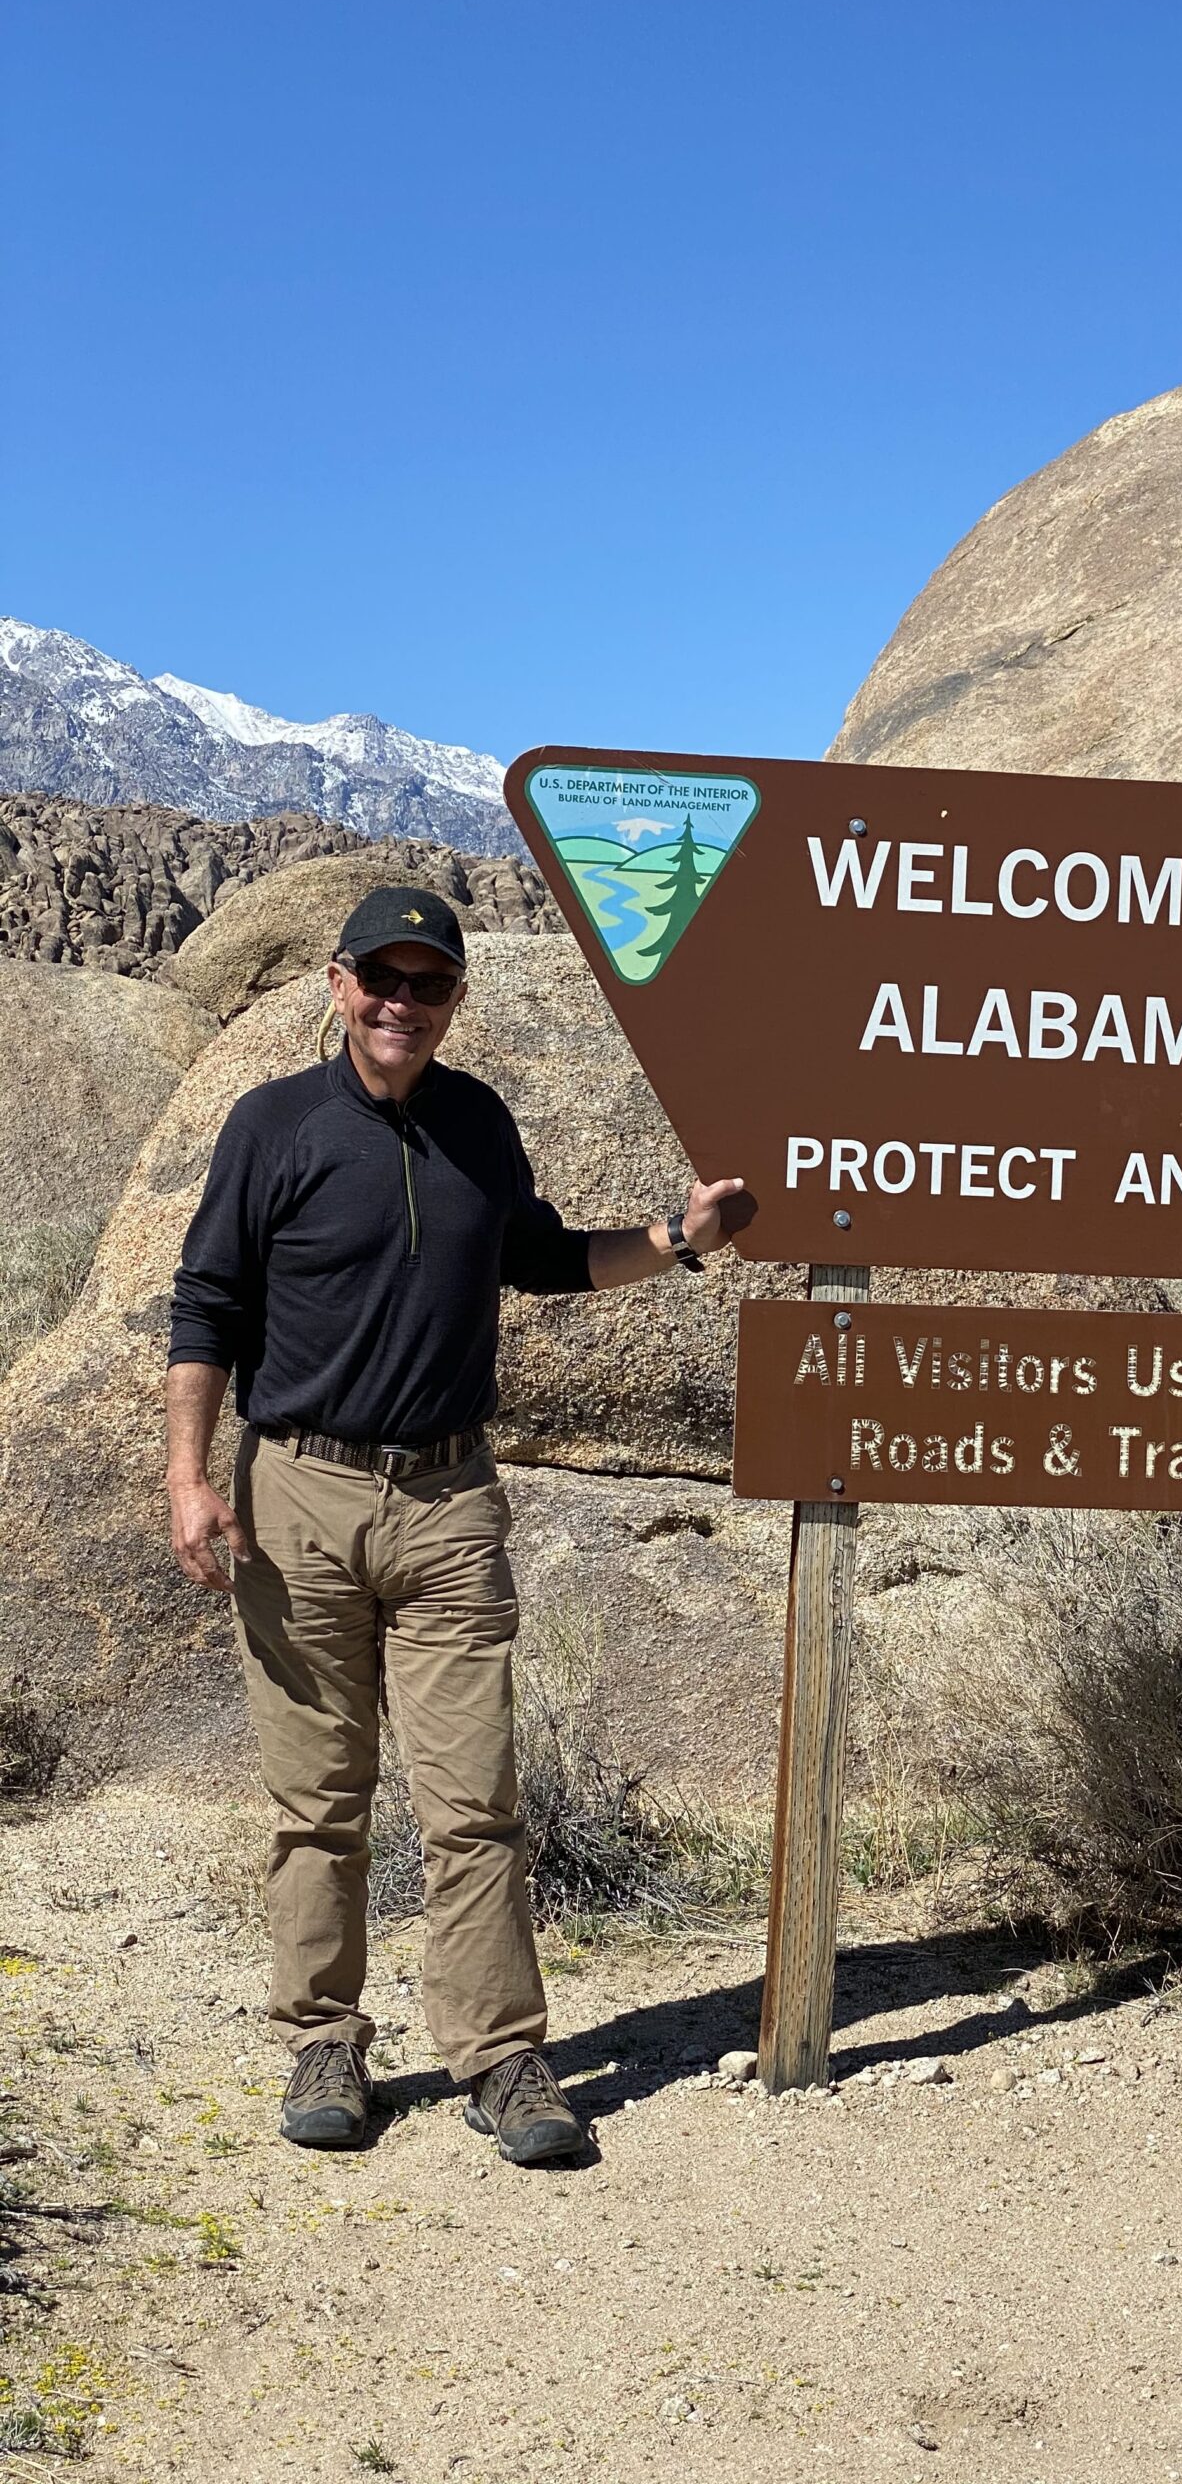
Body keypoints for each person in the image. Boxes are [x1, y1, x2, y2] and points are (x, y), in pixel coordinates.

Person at [165, 885, 745, 2166]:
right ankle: (324, 2035)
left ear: (454, 1001)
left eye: (429, 985)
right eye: (383, 977)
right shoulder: (273, 1127)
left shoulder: (481, 1121)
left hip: (447, 1500)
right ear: (337, 983)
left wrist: (677, 1240)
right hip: (299, 1491)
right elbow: (205, 1303)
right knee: (319, 1796)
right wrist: (188, 1478)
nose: (402, 1004)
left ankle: (500, 2055)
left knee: (473, 1799)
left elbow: (538, 1257)